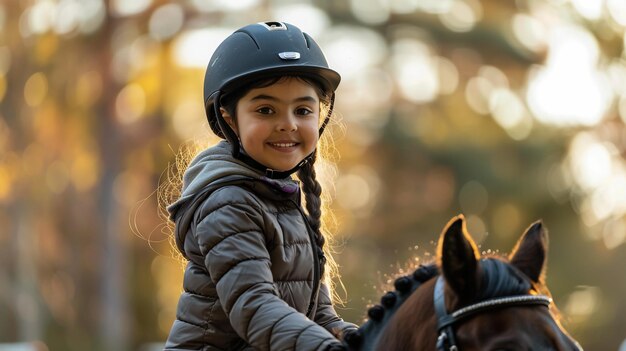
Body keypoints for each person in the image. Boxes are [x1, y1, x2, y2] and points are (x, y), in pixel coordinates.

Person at [164, 21, 357, 350]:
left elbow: (320, 318)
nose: (288, 124)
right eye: (266, 110)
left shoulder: (283, 200)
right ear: (229, 118)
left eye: (303, 110)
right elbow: (255, 310)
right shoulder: (227, 201)